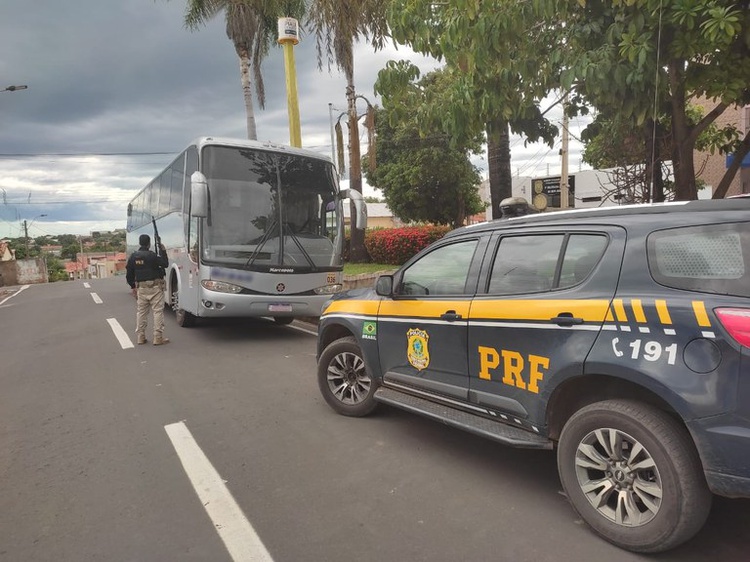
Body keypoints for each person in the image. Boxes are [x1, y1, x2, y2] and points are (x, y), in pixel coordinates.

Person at [126, 234, 170, 346]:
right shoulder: (152, 256)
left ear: (140, 243)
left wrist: (133, 287)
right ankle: (158, 337)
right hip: (155, 287)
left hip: (142, 288)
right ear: (149, 243)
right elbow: (165, 264)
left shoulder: (133, 257)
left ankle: (141, 337)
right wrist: (162, 250)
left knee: (141, 312)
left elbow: (129, 274)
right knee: (157, 311)